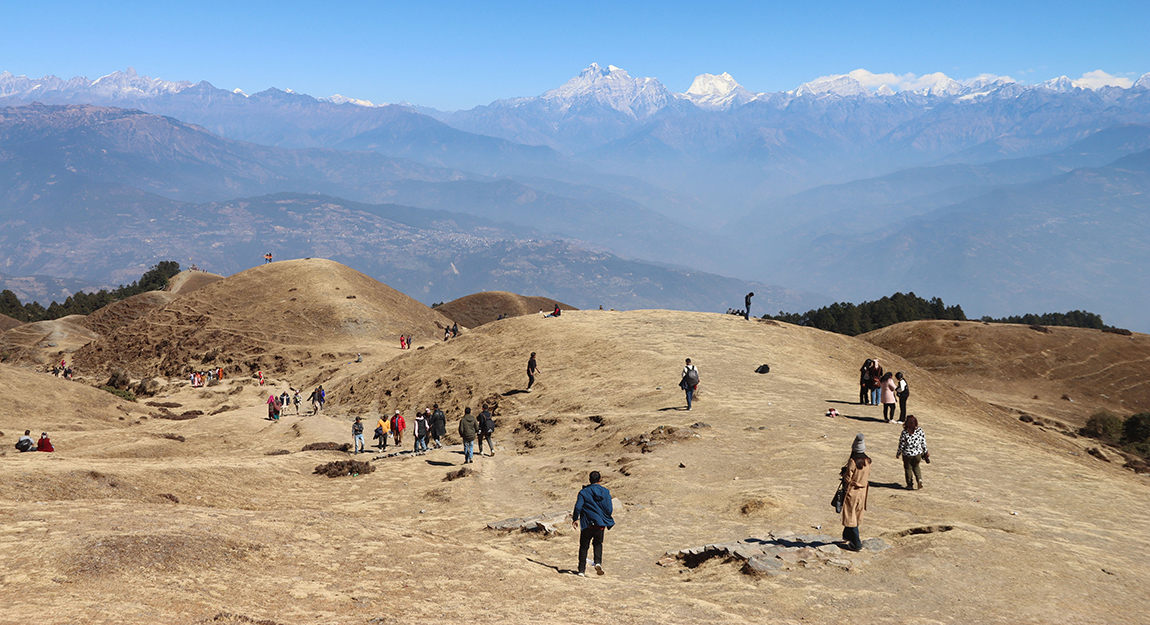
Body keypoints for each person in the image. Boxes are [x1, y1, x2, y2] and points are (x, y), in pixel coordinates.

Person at [571, 471, 614, 577]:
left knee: (584, 546)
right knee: (598, 544)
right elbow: (609, 508)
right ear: (600, 480)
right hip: (600, 524)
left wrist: (575, 518)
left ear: (589, 480)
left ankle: (581, 570)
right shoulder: (606, 492)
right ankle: (598, 562)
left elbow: (578, 507)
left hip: (587, 523)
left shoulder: (584, 492)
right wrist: (604, 518)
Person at [840, 433, 872, 551]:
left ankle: (856, 543)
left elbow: (848, 478)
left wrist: (843, 475)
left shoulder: (853, 461)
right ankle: (847, 535)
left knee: (850, 515)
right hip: (863, 491)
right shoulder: (868, 461)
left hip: (852, 491)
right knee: (857, 513)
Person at [895, 415, 929, 490]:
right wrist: (925, 452)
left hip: (907, 454)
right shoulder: (920, 430)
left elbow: (901, 444)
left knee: (908, 468)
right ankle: (919, 479)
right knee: (916, 466)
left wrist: (898, 453)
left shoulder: (905, 432)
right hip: (918, 453)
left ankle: (910, 484)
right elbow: (923, 442)